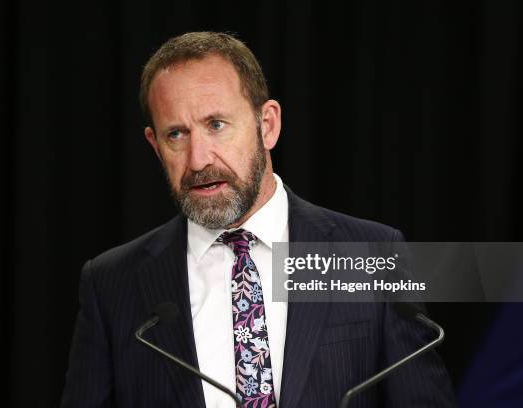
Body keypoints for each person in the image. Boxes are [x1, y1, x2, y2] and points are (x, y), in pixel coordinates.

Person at [61, 31, 456, 407]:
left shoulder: (371, 254)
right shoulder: (112, 284)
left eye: (216, 125)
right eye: (176, 135)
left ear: (267, 125)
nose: (198, 159)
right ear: (155, 144)